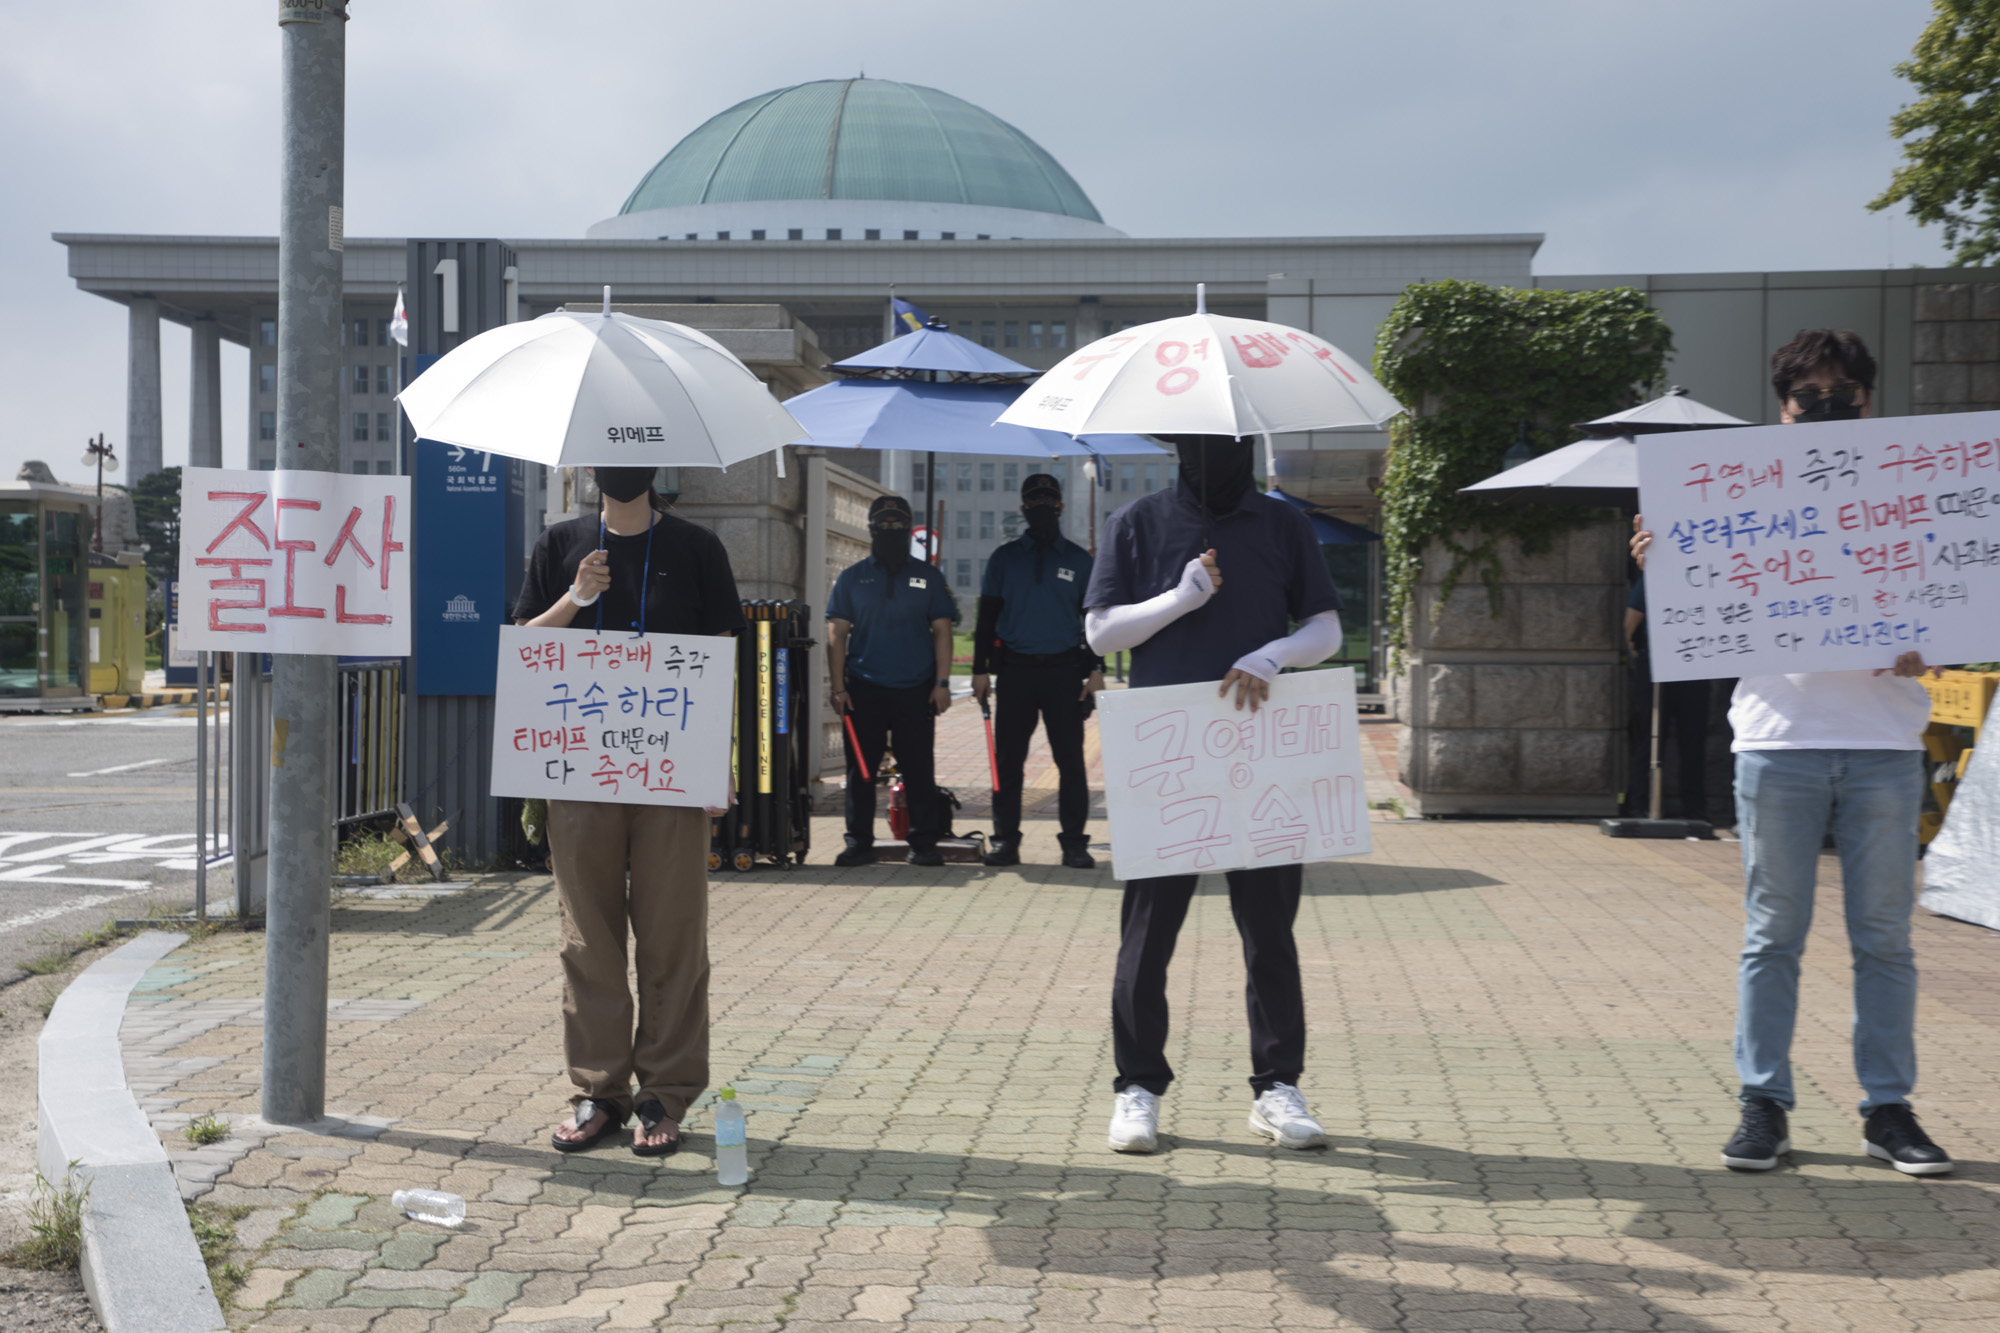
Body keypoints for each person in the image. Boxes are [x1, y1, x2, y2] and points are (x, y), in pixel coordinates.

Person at [1633, 328, 1952, 1176]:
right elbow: (1697, 597)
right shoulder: (1735, 491)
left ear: (1869, 401)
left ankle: (1887, 1107)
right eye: (1809, 393)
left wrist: (1932, 647)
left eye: (1842, 391)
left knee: (1884, 938)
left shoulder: (1914, 487)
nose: (1826, 405)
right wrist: (1663, 559)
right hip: (1779, 741)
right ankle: (1763, 1100)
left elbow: (1953, 601)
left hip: (1884, 742)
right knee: (1773, 933)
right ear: (1781, 406)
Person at [1082, 434, 1346, 1154]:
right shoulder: (1135, 523)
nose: (1213, 451)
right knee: (1147, 933)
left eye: (1227, 440)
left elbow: (1325, 626)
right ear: (1175, 442)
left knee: (1270, 929)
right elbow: (1100, 633)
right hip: (1166, 755)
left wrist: (1273, 654)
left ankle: (1277, 1085)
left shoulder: (1283, 524)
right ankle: (1138, 1085)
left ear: (1248, 441)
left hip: (1262, 750)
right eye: (1197, 439)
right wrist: (1178, 598)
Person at [514, 465, 745, 1158]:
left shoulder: (697, 547)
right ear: (588, 467)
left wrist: (720, 756)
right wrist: (576, 597)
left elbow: (720, 657)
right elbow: (527, 645)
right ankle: (599, 1090)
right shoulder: (560, 544)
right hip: (581, 767)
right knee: (588, 935)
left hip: (670, 767)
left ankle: (663, 1093)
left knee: (674, 932)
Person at [972, 473, 1104, 870]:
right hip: (1016, 672)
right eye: (1034, 503)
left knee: (1071, 763)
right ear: (1024, 509)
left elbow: (1093, 620)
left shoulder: (1079, 560)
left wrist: (1095, 670)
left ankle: (1074, 844)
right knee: (1008, 762)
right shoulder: (1004, 559)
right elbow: (987, 618)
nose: (1042, 508)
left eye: (1049, 502)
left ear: (1060, 507)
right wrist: (979, 670)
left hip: (1064, 673)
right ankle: (1005, 841)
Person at [826, 494, 958, 868]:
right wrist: (838, 688)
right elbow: (837, 633)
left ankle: (924, 842)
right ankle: (858, 843)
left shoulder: (929, 577)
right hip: (863, 690)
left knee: (919, 770)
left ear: (908, 530)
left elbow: (942, 631)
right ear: (871, 530)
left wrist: (942, 683)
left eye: (898, 525)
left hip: (916, 690)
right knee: (861, 771)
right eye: (883, 525)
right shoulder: (852, 578)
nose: (890, 531)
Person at [1624, 580, 1713, 821]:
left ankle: (1679, 808)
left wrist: (1634, 645)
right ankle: (1649, 805)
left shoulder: (1660, 574)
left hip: (1686, 662)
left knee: (1675, 739)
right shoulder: (1658, 574)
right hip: (1676, 662)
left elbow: (1631, 622)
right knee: (1662, 738)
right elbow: (1632, 621)